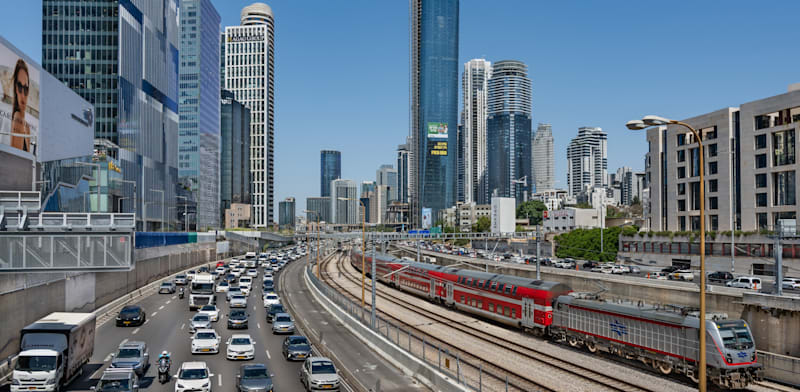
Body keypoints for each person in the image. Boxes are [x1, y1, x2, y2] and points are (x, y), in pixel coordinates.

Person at [10, 58, 31, 152]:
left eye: (26, 88)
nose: (23, 95)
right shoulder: (17, 117)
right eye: (19, 86)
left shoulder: (27, 127)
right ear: (15, 88)